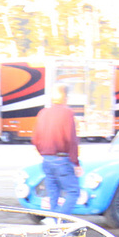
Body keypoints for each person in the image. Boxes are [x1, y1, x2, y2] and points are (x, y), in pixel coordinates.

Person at [31, 85, 80, 213]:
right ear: (66, 98)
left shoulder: (43, 113)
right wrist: (76, 163)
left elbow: (35, 138)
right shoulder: (67, 113)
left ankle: (53, 221)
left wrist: (44, 152)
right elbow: (71, 139)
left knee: (53, 195)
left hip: (47, 160)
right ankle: (61, 222)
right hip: (61, 159)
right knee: (74, 192)